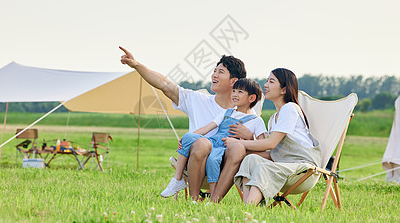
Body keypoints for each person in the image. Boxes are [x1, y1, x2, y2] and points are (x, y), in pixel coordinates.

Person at [119, 46, 261, 201]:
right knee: (201, 143)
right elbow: (165, 85)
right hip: (196, 160)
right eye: (215, 70)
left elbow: (258, 145)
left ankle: (215, 201)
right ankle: (193, 200)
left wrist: (250, 136)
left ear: (234, 82)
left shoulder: (247, 115)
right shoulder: (197, 100)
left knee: (224, 147)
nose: (214, 75)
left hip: (226, 165)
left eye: (221, 72)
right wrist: (136, 65)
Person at [222, 68, 321, 205]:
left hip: (304, 170)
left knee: (263, 168)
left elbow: (271, 144)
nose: (266, 85)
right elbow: (273, 153)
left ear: (284, 90)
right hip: (284, 166)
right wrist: (247, 141)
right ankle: (248, 207)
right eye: (267, 80)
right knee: (250, 160)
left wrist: (238, 144)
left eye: (271, 81)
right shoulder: (273, 118)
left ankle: (248, 209)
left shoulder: (289, 108)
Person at [160, 78, 266, 198]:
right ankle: (177, 179)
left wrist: (250, 137)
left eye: (240, 92)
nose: (235, 94)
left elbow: (262, 146)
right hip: (213, 142)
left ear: (251, 98)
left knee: (213, 159)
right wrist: (189, 138)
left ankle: (213, 196)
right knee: (188, 136)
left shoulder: (256, 121)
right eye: (234, 91)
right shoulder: (227, 113)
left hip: (225, 152)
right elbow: (207, 128)